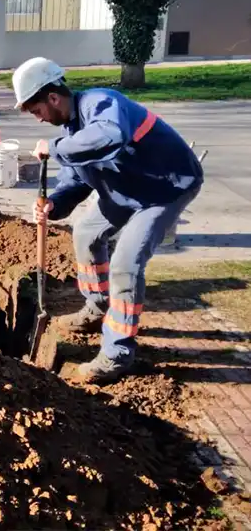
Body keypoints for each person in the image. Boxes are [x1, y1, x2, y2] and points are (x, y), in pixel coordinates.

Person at [13, 56, 204, 383]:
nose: (40, 120)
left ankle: (117, 353)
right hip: (124, 190)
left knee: (125, 264)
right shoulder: (72, 129)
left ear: (53, 98)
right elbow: (75, 182)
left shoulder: (101, 103)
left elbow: (110, 136)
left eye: (37, 111)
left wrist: (55, 148)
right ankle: (97, 305)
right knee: (86, 232)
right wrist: (53, 206)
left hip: (165, 188)